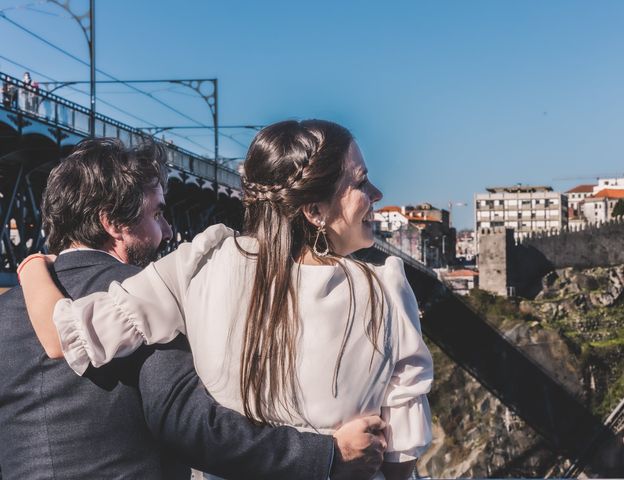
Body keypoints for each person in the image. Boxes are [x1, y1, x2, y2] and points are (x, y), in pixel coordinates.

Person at [21, 120, 433, 480]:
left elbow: (67, 336)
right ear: (313, 210)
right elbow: (401, 451)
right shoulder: (385, 283)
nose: (376, 194)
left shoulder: (199, 262)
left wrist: (32, 265)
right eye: (360, 182)